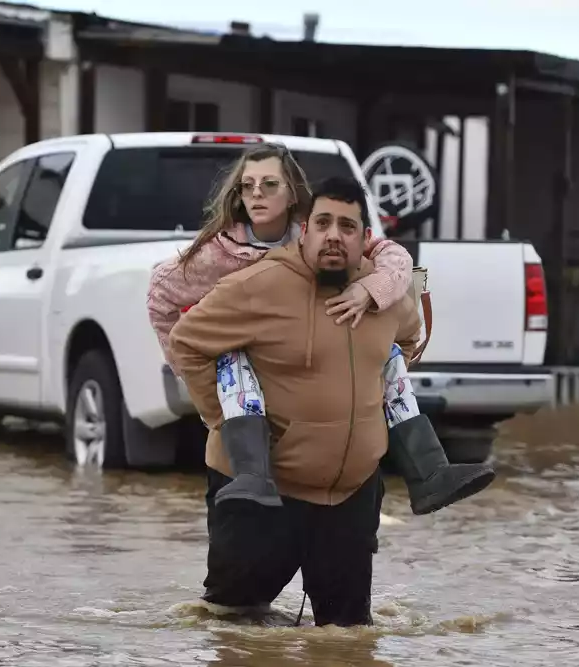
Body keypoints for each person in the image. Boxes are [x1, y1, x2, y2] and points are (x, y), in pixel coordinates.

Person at [146, 142, 494, 516]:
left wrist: (370, 288)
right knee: (234, 356)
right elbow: (160, 296)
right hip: (249, 364)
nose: (257, 194)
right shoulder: (220, 253)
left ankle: (429, 473)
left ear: (293, 191)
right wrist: (203, 389)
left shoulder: (318, 230)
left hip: (330, 361)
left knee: (388, 355)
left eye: (269, 185)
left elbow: (395, 257)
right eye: (248, 186)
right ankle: (252, 473)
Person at [167, 175, 427, 625]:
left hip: (351, 495)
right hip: (265, 492)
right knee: (234, 629)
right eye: (322, 222)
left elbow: (407, 339)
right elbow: (187, 342)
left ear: (366, 239)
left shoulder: (381, 294)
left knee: (346, 639)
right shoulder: (260, 285)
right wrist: (223, 420)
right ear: (304, 230)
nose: (333, 235)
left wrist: (367, 416)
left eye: (347, 227)